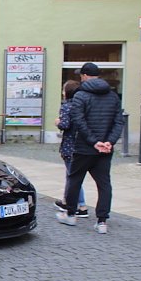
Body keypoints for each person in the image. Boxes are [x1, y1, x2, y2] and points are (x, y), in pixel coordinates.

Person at [56, 62, 124, 234]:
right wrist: (109, 142)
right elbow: (118, 122)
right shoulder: (113, 96)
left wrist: (93, 142)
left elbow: (79, 121)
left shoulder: (81, 95)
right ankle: (102, 221)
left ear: (85, 76)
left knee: (74, 179)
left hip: (84, 147)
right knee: (104, 184)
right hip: (105, 150)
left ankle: (71, 215)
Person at [54, 80, 89, 218]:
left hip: (70, 146)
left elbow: (65, 125)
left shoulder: (67, 106)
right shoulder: (84, 105)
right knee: (72, 175)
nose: (62, 93)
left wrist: (58, 122)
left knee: (73, 176)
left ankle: (81, 205)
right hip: (82, 144)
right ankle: (67, 200)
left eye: (63, 90)